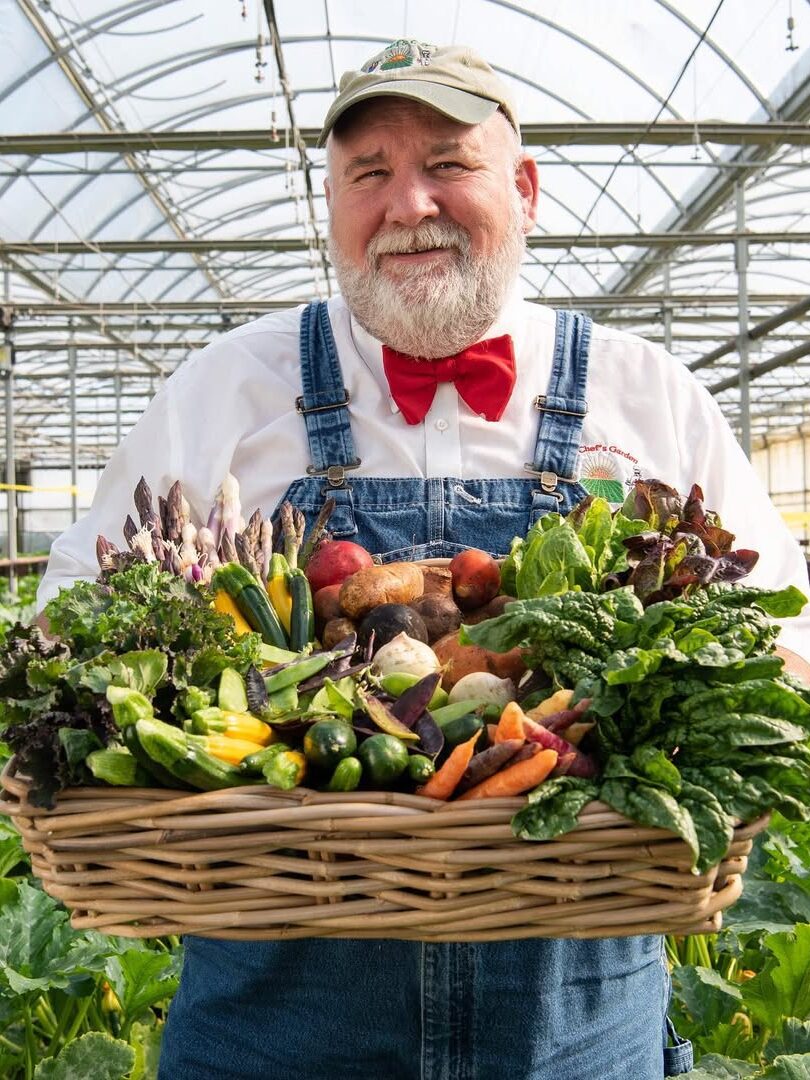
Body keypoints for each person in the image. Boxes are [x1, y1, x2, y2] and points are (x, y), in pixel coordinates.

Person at [38, 39, 809, 1080]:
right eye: (369, 174)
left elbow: (782, 650)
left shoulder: (648, 395)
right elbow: (70, 624)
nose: (408, 205)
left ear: (525, 188)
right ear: (331, 207)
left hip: (577, 1034)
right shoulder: (224, 391)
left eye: (448, 162)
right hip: (275, 1034)